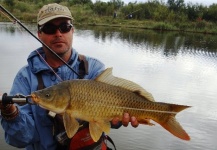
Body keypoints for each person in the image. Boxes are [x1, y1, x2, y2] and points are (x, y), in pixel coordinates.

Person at [0, 3, 139, 150]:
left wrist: (116, 121)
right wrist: (11, 114)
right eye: (49, 28)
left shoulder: (93, 68)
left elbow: (108, 121)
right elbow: (21, 140)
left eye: (64, 27)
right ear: (39, 33)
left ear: (73, 30)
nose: (58, 33)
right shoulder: (25, 78)